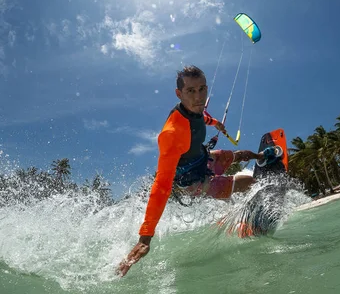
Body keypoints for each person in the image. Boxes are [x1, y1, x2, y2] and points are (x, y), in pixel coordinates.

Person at [117, 65, 278, 277]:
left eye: (202, 89)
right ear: (179, 94)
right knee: (247, 184)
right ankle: (250, 220)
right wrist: (145, 238)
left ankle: (262, 157)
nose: (199, 97)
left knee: (240, 155)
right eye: (191, 91)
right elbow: (162, 184)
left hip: (205, 159)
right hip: (194, 183)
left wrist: (217, 124)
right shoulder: (171, 133)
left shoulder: (198, 110)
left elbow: (204, 118)